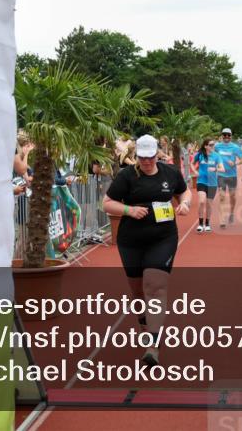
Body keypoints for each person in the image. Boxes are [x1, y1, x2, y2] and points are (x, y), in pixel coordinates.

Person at [102, 134, 191, 366]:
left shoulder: (170, 173)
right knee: (138, 291)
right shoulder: (127, 176)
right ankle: (145, 323)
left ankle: (153, 345)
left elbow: (184, 191)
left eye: (150, 157)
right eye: (142, 158)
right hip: (131, 240)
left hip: (163, 237)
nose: (147, 162)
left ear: (156, 154)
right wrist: (129, 210)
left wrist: (184, 203)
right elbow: (107, 202)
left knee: (155, 286)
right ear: (137, 156)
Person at [214, 128, 242, 228]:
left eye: (228, 135)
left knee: (232, 196)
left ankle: (231, 212)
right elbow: (213, 156)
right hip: (221, 175)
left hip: (232, 175)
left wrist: (235, 163)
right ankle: (222, 220)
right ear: (222, 136)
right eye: (224, 135)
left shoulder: (235, 147)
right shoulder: (217, 146)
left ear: (231, 136)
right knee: (222, 197)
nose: (226, 137)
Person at [192, 138, 223, 233]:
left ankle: (207, 223)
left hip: (212, 183)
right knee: (201, 201)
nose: (212, 146)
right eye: (210, 145)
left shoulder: (217, 156)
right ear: (205, 146)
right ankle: (201, 224)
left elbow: (222, 169)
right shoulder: (200, 155)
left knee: (209, 204)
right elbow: (191, 163)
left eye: (213, 145)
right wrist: (195, 171)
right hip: (201, 181)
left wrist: (215, 169)